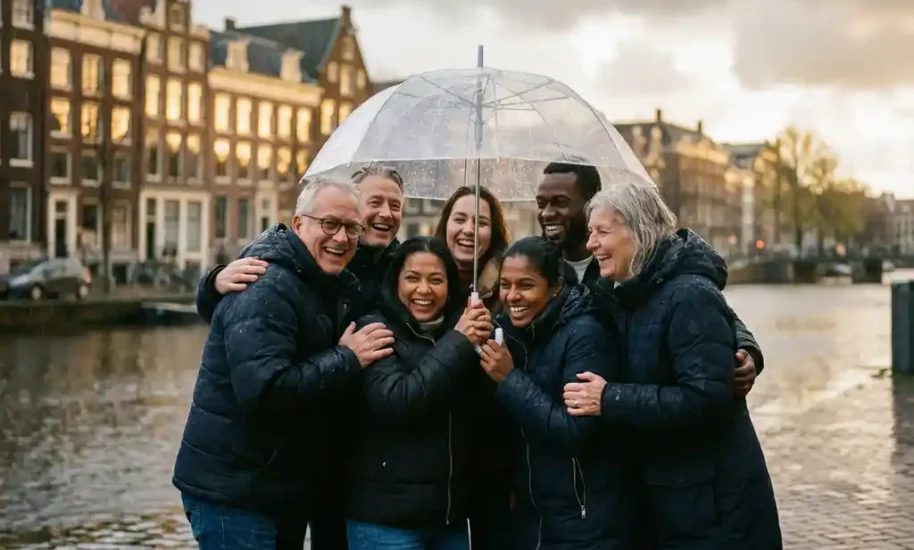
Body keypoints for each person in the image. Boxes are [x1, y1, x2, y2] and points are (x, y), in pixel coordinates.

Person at [173, 179, 395, 550]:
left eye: (352, 228)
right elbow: (264, 392)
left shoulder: (322, 282)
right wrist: (348, 358)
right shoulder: (266, 286)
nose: (341, 238)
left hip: (273, 488)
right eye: (329, 224)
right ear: (298, 224)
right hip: (237, 493)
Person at [563, 184, 782, 549]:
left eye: (602, 232)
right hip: (674, 501)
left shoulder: (688, 295)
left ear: (638, 231)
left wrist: (609, 398)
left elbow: (704, 399)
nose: (591, 244)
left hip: (716, 511)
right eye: (590, 233)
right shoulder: (624, 292)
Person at [536, 162, 763, 397]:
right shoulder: (531, 266)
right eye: (541, 204)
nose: (547, 213)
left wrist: (746, 349)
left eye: (560, 203)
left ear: (590, 203)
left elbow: (711, 312)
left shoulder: (624, 264)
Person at [477, 236, 636, 549]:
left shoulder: (586, 334)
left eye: (525, 285)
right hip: (531, 515)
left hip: (582, 519)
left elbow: (575, 431)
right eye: (504, 285)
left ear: (555, 287)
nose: (511, 296)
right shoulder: (508, 332)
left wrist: (509, 379)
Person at [344, 236, 493, 549]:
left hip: (449, 521)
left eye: (436, 280)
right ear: (395, 281)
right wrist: (458, 342)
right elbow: (399, 400)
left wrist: (489, 349)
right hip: (386, 523)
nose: (424, 290)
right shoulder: (375, 329)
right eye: (412, 278)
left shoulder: (463, 332)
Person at [196, 165, 406, 322]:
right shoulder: (324, 256)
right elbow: (239, 313)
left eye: (395, 205)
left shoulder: (407, 266)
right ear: (351, 207)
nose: (386, 213)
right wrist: (213, 284)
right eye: (375, 202)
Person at [433, 186, 510, 312]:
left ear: (493, 232)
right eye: (459, 220)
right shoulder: (422, 283)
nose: (469, 230)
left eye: (481, 223)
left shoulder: (507, 289)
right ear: (445, 224)